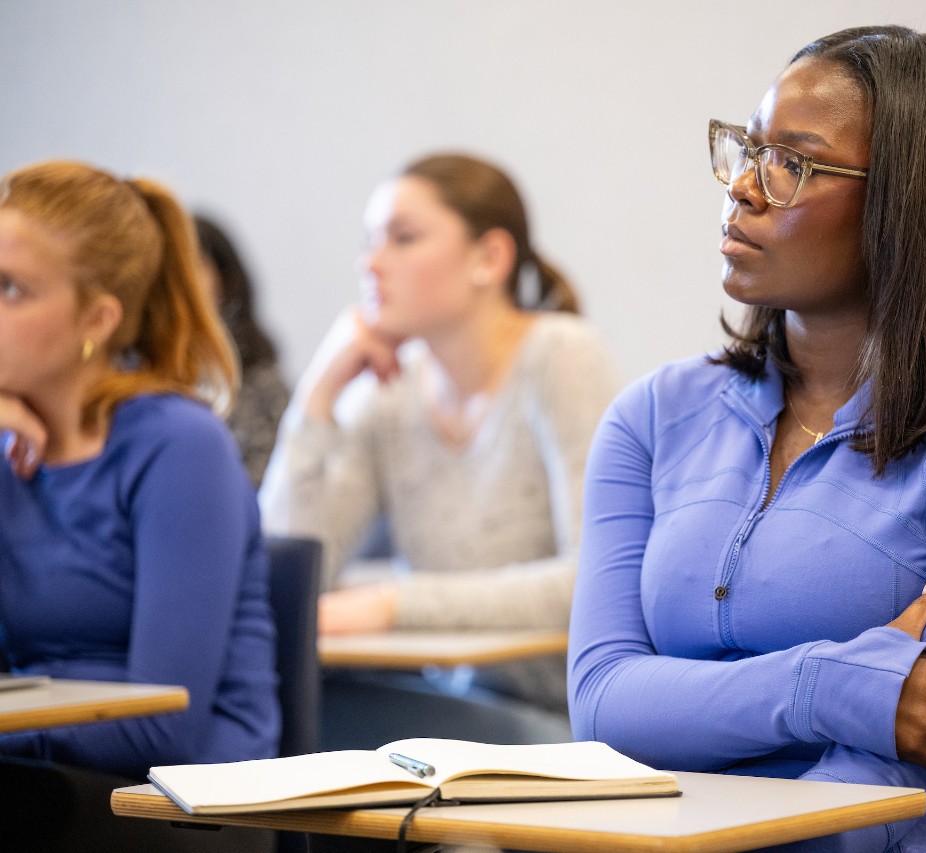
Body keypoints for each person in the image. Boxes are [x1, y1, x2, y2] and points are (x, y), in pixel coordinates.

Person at [568, 25, 926, 852]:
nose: (742, 186)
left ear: (911, 206)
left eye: (793, 163)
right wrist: (833, 683)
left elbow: (884, 784)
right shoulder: (652, 416)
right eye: (749, 148)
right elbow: (601, 702)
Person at [259, 153, 618, 720]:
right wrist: (316, 398)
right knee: (294, 715)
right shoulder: (385, 394)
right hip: (454, 705)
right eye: (369, 241)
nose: (371, 263)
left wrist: (392, 604)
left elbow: (592, 581)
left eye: (403, 239)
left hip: (568, 716)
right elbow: (287, 579)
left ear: (490, 257)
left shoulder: (561, 353)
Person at [0, 160, 279, 850]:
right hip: (45, 774)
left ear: (98, 318)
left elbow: (164, 723)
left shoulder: (179, 446)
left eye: (11, 289)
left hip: (190, 801)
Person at [193, 214, 290, 487]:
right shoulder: (138, 376)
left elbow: (275, 485)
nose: (179, 283)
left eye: (194, 265)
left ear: (224, 278)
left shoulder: (262, 382)